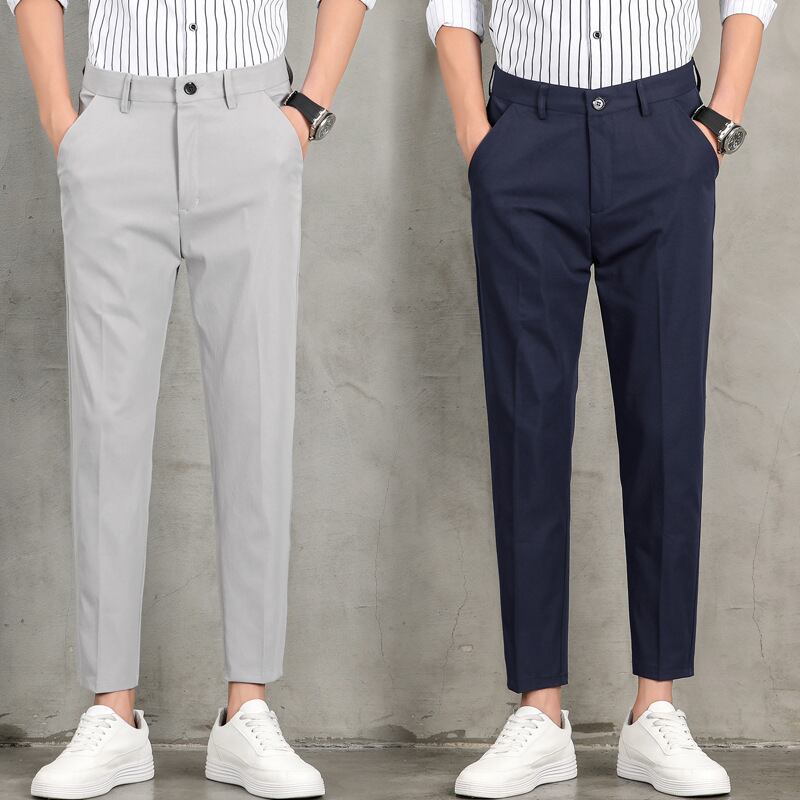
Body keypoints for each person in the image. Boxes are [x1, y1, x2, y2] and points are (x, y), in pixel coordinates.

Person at [10, 0, 374, 797]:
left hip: (251, 121)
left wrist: (304, 110)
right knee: (106, 424)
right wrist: (61, 122)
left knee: (257, 417)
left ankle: (248, 709)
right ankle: (112, 714)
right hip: (115, 123)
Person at [427, 0, 774, 796]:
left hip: (663, 129)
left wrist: (718, 121)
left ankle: (657, 708)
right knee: (526, 422)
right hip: (525, 131)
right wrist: (478, 138)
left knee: (667, 422)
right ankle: (538, 711)